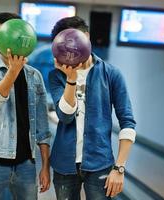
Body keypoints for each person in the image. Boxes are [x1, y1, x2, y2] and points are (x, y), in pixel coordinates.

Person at [48, 16, 136, 200]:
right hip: (64, 164)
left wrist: (119, 168)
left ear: (86, 36)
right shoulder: (56, 76)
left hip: (100, 163)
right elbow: (65, 116)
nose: (68, 49)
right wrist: (71, 79)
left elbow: (127, 122)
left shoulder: (111, 74)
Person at [0, 12, 51, 200]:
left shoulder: (35, 76)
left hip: (26, 164)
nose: (11, 40)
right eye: (4, 34)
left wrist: (45, 167)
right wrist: (13, 71)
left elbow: (42, 127)